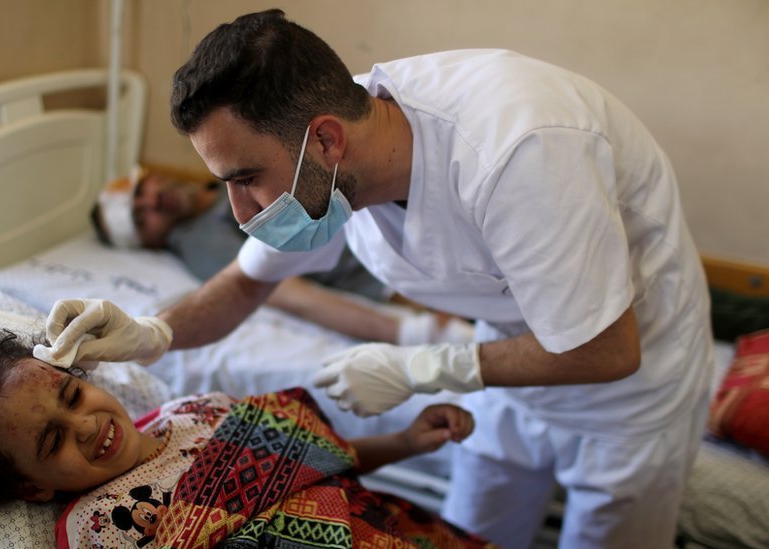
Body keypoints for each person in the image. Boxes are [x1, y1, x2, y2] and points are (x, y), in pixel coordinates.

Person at [42, 9, 713, 549]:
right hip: (513, 362)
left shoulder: (518, 151)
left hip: (631, 389)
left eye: (246, 179)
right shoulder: (331, 141)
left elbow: (607, 349)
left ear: (328, 141)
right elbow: (245, 287)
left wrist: (424, 366)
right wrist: (152, 332)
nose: (240, 213)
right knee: (469, 528)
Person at [0, 326, 490, 547]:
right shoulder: (99, 528)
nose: (87, 425)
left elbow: (326, 460)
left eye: (72, 394)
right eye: (52, 442)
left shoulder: (195, 409)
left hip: (396, 528)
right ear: (30, 488)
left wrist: (408, 441)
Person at [90, 166, 473, 345]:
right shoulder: (200, 242)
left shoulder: (216, 184)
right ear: (151, 243)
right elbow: (284, 293)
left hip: (414, 220)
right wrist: (411, 332)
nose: (152, 200)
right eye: (142, 217)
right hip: (398, 267)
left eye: (141, 190)